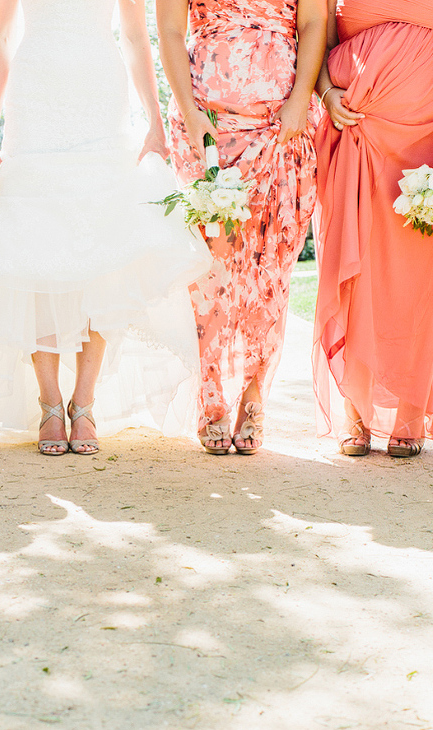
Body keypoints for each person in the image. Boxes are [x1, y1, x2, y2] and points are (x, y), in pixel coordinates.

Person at [0, 0, 209, 455]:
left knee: (102, 236)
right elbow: (2, 39)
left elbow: (133, 36)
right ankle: (50, 402)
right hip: (35, 103)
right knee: (38, 243)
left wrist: (152, 118)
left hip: (99, 97)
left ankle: (83, 401)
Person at [312, 0, 433, 458]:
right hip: (359, 126)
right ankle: (354, 410)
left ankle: (410, 412)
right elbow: (318, 32)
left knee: (419, 278)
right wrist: (324, 92)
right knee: (356, 272)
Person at [160, 0, 326, 455]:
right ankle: (210, 400)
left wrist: (298, 102)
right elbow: (171, 30)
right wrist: (188, 109)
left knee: (270, 267)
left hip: (281, 128)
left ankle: (253, 394)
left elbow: (313, 22)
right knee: (210, 272)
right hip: (208, 129)